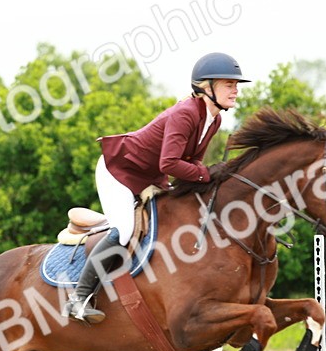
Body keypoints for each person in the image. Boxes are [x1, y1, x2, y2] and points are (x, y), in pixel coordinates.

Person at [63, 52, 250, 324]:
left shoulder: (214, 119)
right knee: (124, 231)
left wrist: (206, 177)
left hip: (150, 177)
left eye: (235, 85)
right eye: (228, 84)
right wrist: (206, 174)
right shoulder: (185, 113)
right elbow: (170, 162)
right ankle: (78, 300)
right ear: (206, 87)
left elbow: (193, 161)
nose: (235, 90)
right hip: (119, 170)